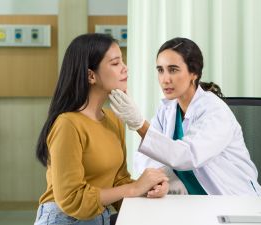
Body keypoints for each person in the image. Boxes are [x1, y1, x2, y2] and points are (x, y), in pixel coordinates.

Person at [34, 33, 169, 225]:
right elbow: (71, 199)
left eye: (122, 61)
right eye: (115, 63)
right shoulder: (68, 124)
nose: (125, 68)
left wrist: (148, 190)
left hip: (99, 218)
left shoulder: (113, 118)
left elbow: (119, 181)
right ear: (91, 75)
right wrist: (135, 188)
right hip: (63, 219)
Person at [109, 37, 261, 196]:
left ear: (194, 73)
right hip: (192, 203)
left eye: (173, 70)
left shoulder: (215, 112)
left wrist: (139, 124)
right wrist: (162, 179)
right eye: (160, 70)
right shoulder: (167, 109)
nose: (165, 79)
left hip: (234, 201)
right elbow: (145, 157)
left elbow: (187, 155)